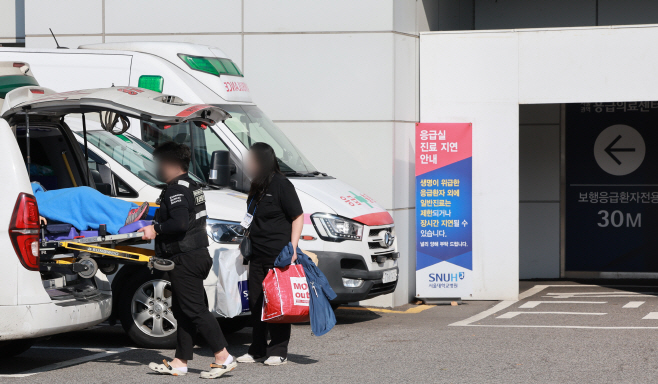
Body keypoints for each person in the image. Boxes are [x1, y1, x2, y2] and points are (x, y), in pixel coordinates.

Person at [140, 142, 236, 379]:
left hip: (186, 257)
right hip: (196, 254)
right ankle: (179, 361)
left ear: (170, 164)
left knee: (194, 310)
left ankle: (223, 356)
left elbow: (180, 223)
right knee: (183, 310)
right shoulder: (191, 185)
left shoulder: (175, 190)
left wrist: (156, 229)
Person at [236, 142, 304, 366]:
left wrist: (292, 248)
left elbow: (297, 216)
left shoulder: (282, 184)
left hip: (278, 256)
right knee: (256, 303)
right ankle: (257, 348)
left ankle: (278, 350)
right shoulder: (256, 185)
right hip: (256, 255)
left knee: (277, 303)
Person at [31, 182, 149, 234]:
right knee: (82, 195)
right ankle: (122, 218)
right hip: (37, 202)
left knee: (84, 193)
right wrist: (33, 212)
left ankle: (125, 213)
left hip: (38, 197)